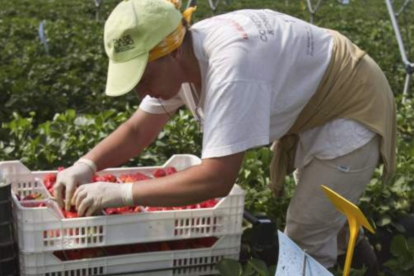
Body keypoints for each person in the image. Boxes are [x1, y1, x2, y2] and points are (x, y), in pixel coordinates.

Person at [54, 0, 396, 271]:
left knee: (305, 235)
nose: (139, 89)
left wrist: (122, 193)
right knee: (324, 216)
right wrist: (86, 164)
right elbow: (137, 129)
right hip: (312, 97)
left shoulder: (232, 69)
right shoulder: (182, 57)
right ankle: (371, 267)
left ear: (172, 52)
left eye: (141, 76)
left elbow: (217, 178)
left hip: (349, 103)